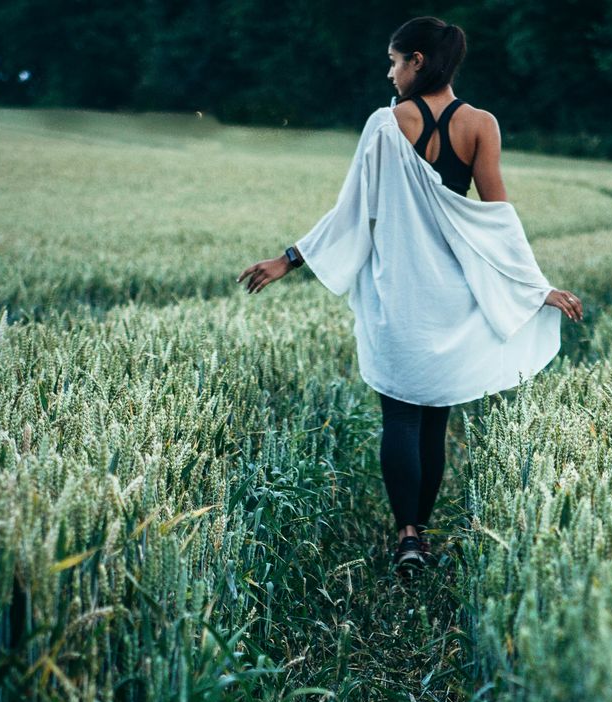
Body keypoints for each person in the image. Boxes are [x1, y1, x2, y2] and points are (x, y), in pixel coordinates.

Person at [238, 16, 583, 578]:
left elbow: (351, 210)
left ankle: (406, 538)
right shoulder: (481, 124)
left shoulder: (383, 124)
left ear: (418, 60)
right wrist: (533, 288)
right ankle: (419, 537)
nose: (391, 72)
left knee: (398, 415)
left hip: (397, 292)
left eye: (396, 61)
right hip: (452, 295)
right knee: (434, 417)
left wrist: (289, 259)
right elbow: (496, 219)